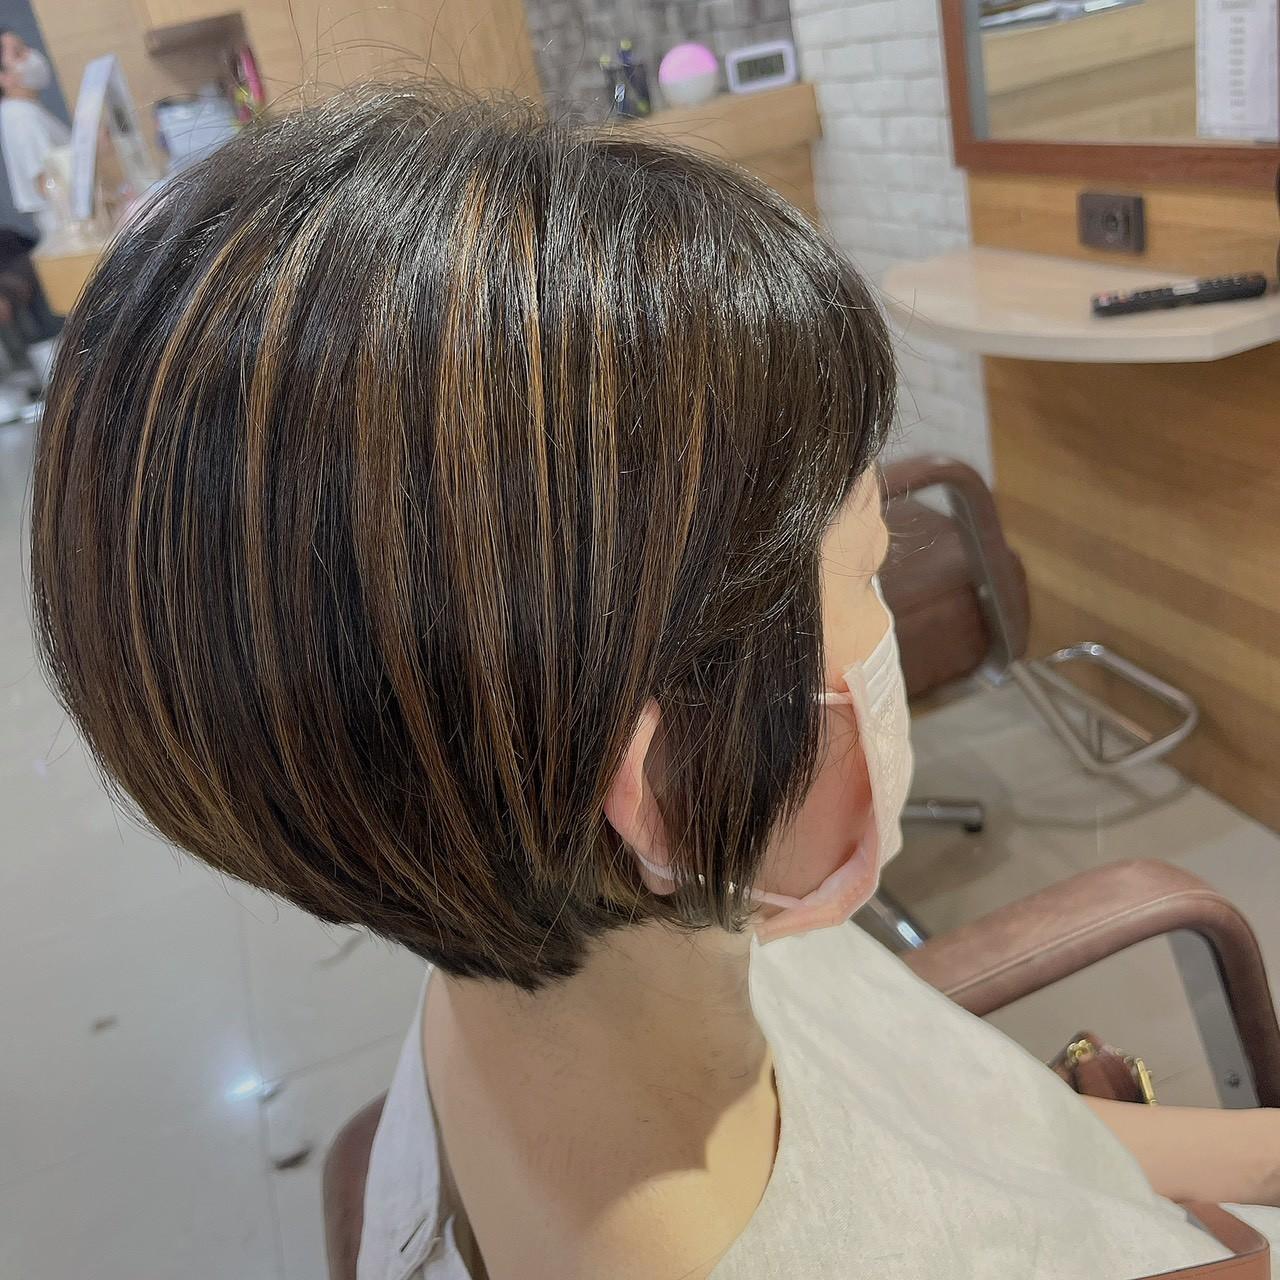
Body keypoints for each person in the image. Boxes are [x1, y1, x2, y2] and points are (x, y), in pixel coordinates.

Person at [29, 85, 1280, 1279]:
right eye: (867, 567)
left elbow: (978, 1137)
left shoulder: (538, 945)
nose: (884, 616)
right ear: (667, 778)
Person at [0, 29, 67, 242]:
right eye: (18, 53)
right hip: (65, 224)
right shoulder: (21, 116)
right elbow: (46, 182)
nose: (31, 56)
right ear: (3, 77)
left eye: (25, 47)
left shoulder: (26, 109)